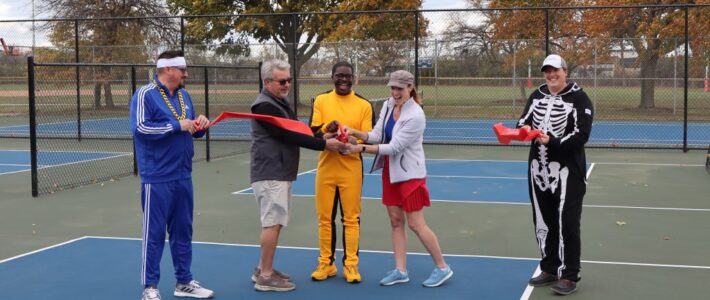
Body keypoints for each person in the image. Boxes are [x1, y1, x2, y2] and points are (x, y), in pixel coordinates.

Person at [343, 70, 453, 288]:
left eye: (399, 89)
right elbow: (376, 136)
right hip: (391, 174)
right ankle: (400, 270)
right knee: (395, 222)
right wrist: (353, 131)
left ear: (410, 88)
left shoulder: (416, 115)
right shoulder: (387, 105)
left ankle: (442, 267)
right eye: (392, 88)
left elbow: (394, 147)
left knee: (416, 224)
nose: (394, 92)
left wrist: (358, 148)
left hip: (411, 175)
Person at [250, 59, 346, 292]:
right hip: (271, 173)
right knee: (272, 223)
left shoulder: (279, 102)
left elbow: (298, 130)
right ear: (267, 82)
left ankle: (265, 268)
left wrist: (323, 131)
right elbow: (288, 136)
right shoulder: (264, 106)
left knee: (277, 222)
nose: (287, 85)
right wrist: (325, 146)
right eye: (282, 81)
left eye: (289, 80)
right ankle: (265, 276)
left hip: (280, 172)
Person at [130, 50, 214, 300]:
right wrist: (178, 125)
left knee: (183, 231)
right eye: (182, 69)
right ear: (167, 69)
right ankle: (150, 287)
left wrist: (199, 125)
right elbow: (141, 128)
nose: (186, 74)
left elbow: (190, 129)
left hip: (183, 175)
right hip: (156, 177)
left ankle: (184, 282)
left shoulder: (184, 95)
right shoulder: (145, 94)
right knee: (154, 233)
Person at [518, 54, 593, 295]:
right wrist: (525, 130)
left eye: (555, 71)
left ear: (565, 71)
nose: (551, 75)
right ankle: (549, 267)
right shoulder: (536, 95)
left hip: (568, 171)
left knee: (568, 223)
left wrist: (552, 141)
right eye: (547, 71)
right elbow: (523, 122)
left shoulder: (580, 98)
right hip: (537, 169)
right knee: (543, 222)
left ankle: (570, 274)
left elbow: (581, 135)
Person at [308, 61, 373, 283]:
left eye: (347, 76)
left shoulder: (363, 104)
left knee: (351, 219)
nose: (343, 79)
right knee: (325, 218)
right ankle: (326, 263)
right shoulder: (321, 100)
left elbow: (368, 137)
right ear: (332, 76)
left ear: (353, 78)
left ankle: (351, 265)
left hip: (351, 169)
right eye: (339, 75)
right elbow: (313, 134)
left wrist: (348, 139)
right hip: (326, 168)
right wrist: (329, 130)